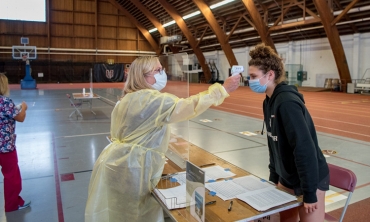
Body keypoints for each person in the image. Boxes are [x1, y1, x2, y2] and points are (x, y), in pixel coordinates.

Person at [85, 56, 240, 222]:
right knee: (138, 215)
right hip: (136, 168)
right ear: (143, 76)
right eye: (157, 70)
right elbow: (189, 106)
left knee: (119, 213)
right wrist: (222, 89)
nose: (162, 73)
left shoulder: (127, 99)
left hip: (116, 163)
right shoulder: (151, 99)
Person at [248, 44, 329, 222]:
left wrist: (309, 193)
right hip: (287, 178)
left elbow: (304, 148)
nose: (250, 80)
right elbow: (274, 145)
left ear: (270, 75)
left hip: (310, 179)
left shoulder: (287, 103)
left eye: (253, 76)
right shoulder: (268, 102)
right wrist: (273, 179)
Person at [0, 73, 31, 212]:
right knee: (12, 176)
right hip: (5, 147)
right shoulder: (5, 102)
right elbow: (20, 118)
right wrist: (23, 107)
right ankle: (12, 205)